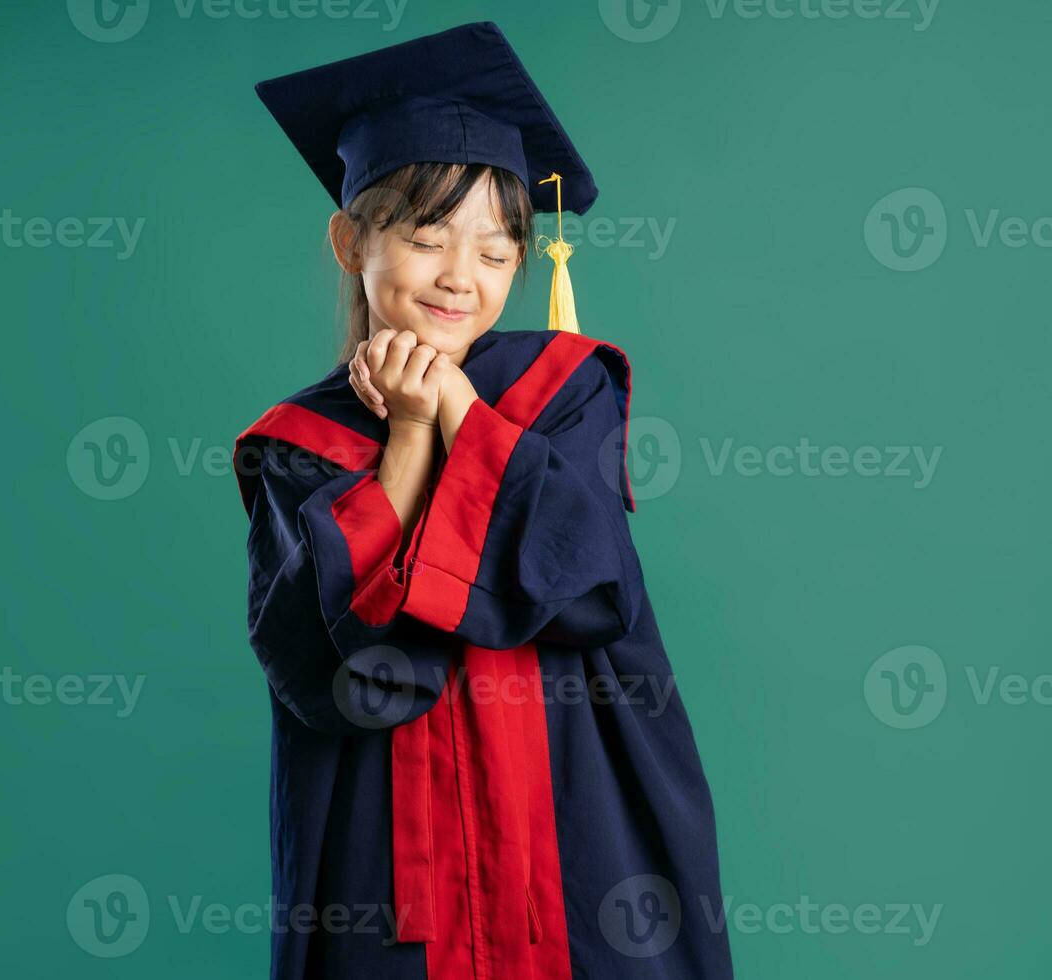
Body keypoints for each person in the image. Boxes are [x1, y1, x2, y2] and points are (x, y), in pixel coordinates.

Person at [232, 21, 734, 980]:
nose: (461, 275)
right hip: (389, 856)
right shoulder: (293, 447)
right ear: (350, 241)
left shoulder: (568, 389)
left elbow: (590, 581)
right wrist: (411, 439)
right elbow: (340, 674)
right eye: (426, 238)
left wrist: (456, 403)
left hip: (577, 824)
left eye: (498, 252)